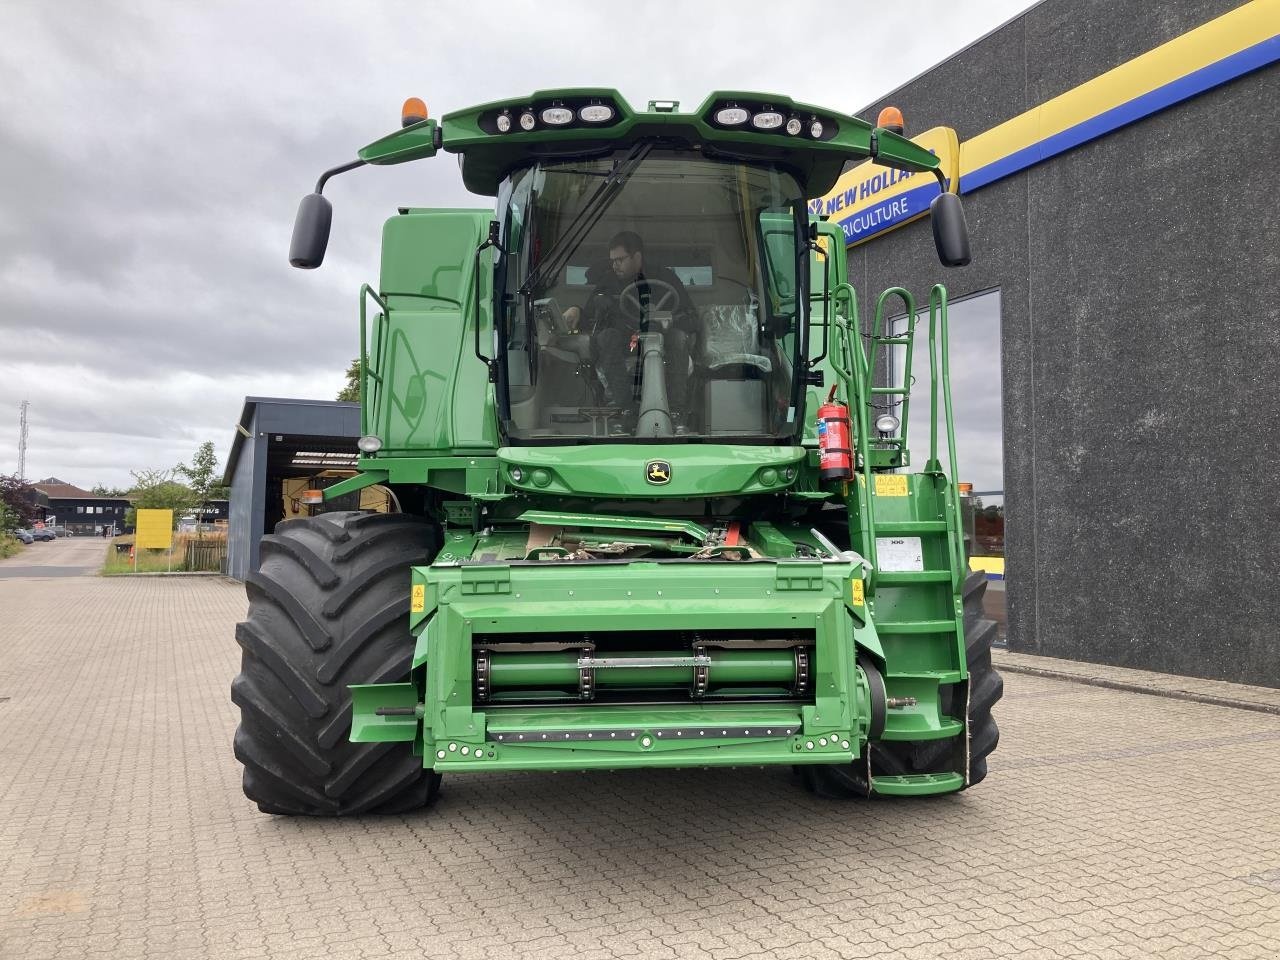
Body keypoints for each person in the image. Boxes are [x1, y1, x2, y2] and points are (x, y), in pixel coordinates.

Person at [562, 231, 697, 413]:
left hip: (663, 341)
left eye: (620, 260)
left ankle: (676, 410)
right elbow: (590, 317)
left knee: (679, 337)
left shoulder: (666, 278)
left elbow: (691, 317)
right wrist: (576, 310)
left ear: (637, 256)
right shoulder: (608, 282)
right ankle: (624, 407)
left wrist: (670, 320)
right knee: (607, 336)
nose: (615, 265)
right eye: (613, 260)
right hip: (628, 343)